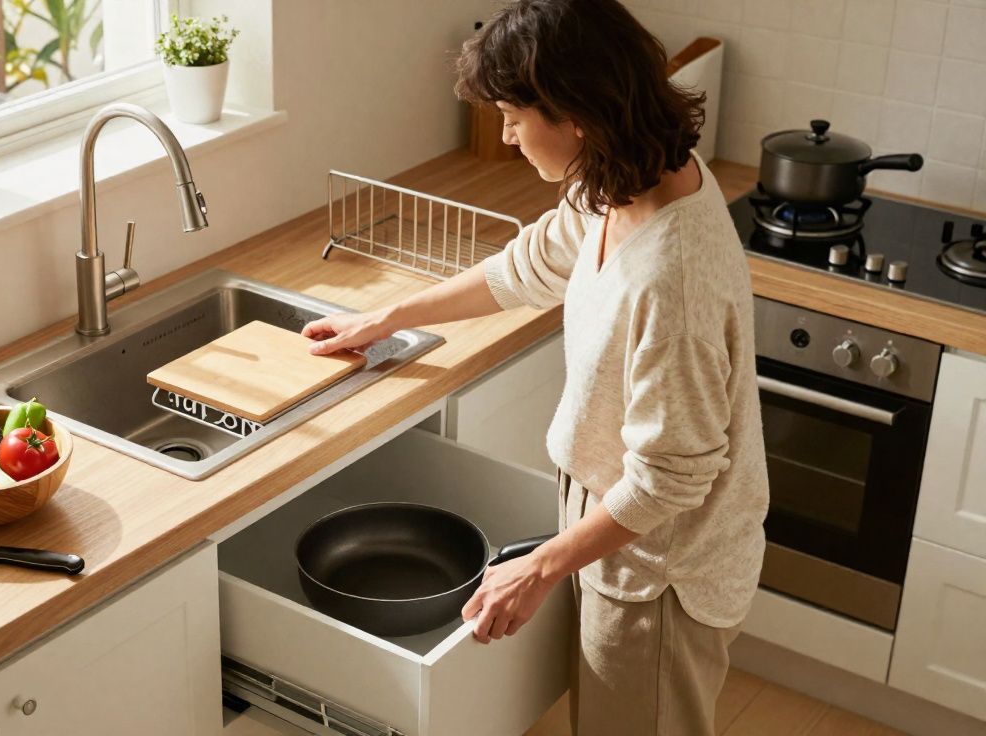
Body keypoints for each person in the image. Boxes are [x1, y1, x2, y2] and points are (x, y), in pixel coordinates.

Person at [300, 1, 769, 733]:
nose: (507, 137)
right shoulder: (625, 176)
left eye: (514, 118)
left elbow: (670, 478)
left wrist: (541, 565)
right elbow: (531, 265)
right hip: (619, 530)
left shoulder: (672, 277)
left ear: (574, 112)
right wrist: (387, 317)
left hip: (660, 570)